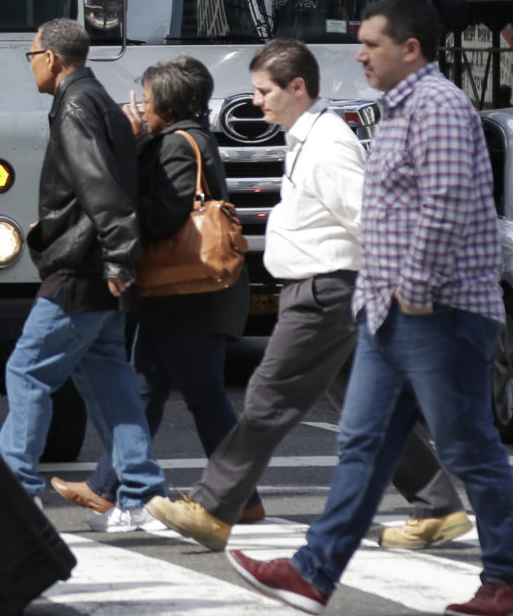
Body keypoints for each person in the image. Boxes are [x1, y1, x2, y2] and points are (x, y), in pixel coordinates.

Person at [226, 0, 513, 616]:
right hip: (386, 308)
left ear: (411, 48)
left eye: (371, 44)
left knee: (468, 445)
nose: (360, 54)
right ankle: (313, 572)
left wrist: (415, 286)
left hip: (437, 310)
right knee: (364, 444)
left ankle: (509, 580)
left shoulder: (439, 106)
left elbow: (446, 201)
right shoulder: (398, 108)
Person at [149, 38, 472, 552]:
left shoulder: (326, 145)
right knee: (372, 411)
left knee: (267, 400)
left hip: (325, 291)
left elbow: (372, 218)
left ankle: (212, 508)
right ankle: (438, 507)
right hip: (332, 288)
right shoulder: (310, 138)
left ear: (297, 87)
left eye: (263, 91)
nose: (255, 102)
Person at [52, 56, 255, 530]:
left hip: (188, 292)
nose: (141, 106)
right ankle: (110, 487)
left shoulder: (179, 145)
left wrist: (123, 173)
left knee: (192, 395)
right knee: (148, 388)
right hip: (181, 294)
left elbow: (164, 215)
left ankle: (237, 495)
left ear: (166, 101)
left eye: (146, 98)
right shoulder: (177, 140)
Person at [0, 18, 168, 529]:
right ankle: (143, 496)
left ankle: (15, 487)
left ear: (51, 58)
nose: (30, 66)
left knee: (26, 371)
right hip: (98, 265)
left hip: (81, 267)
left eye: (30, 56)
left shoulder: (73, 105)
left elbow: (99, 188)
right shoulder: (101, 101)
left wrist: (118, 254)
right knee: (109, 379)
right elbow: (99, 185)